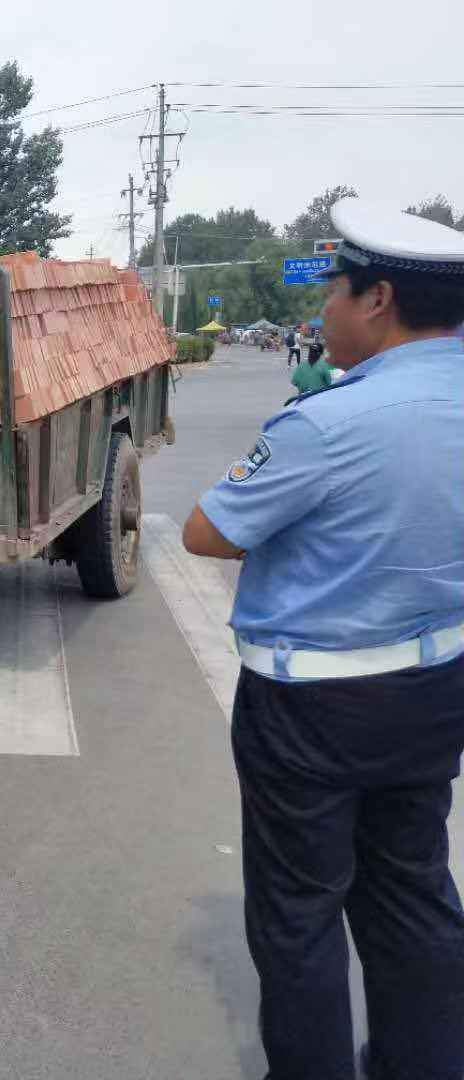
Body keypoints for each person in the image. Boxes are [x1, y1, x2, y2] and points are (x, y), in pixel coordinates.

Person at [181, 199, 464, 1079]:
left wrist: (304, 430)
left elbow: (206, 532)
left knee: (299, 915)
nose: (322, 311)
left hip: (313, 710)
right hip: (436, 687)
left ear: (377, 298)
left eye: (334, 289)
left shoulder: (329, 424)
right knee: (413, 893)